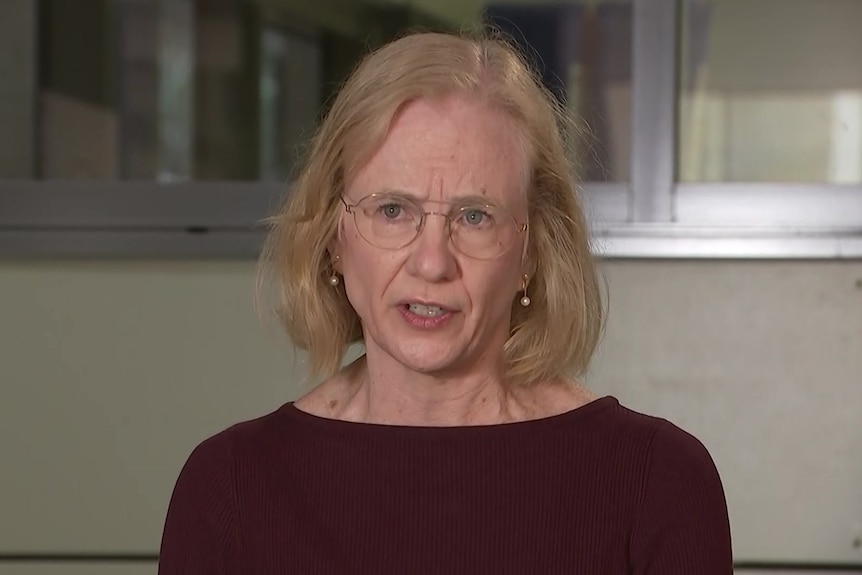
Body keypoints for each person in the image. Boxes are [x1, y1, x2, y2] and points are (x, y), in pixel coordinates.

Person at [158, 30, 732, 574]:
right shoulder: (230, 487)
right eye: (392, 210)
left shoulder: (656, 484)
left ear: (531, 251)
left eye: (475, 216)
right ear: (333, 237)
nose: (431, 262)